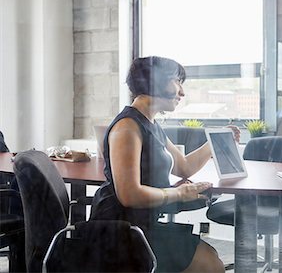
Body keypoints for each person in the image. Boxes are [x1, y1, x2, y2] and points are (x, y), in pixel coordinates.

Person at [90, 56, 237, 273]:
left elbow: (184, 166)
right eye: (177, 81)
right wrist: (178, 194)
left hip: (141, 223)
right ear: (155, 80)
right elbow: (129, 194)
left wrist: (215, 142)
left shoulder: (150, 124)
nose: (182, 92)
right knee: (210, 265)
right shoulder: (128, 127)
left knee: (211, 258)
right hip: (119, 230)